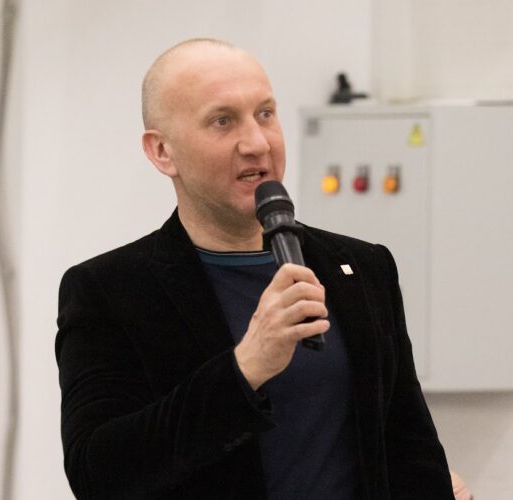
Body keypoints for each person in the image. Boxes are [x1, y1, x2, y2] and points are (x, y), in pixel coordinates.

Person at [55, 38, 454, 499]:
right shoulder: (110, 290)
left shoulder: (361, 268)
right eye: (222, 121)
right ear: (162, 151)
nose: (257, 143)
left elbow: (408, 445)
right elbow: (97, 474)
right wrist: (245, 367)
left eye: (265, 114)